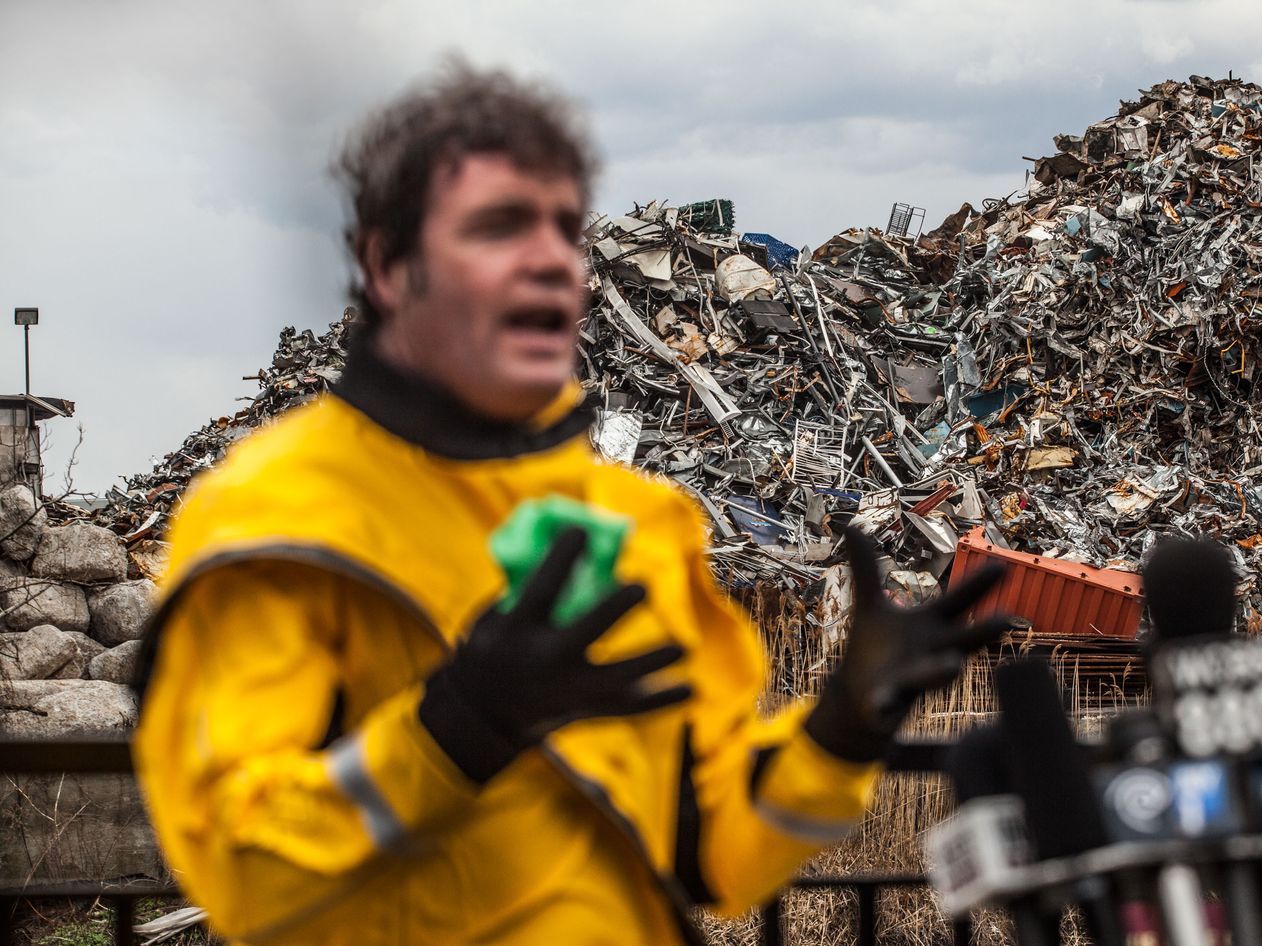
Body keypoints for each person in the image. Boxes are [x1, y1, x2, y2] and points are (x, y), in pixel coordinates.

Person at [132, 61, 1011, 946]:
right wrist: (452, 731)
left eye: (563, 227)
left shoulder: (636, 523)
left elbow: (714, 859)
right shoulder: (274, 523)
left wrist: (841, 730)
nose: (552, 259)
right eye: (499, 227)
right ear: (388, 265)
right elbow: (238, 873)